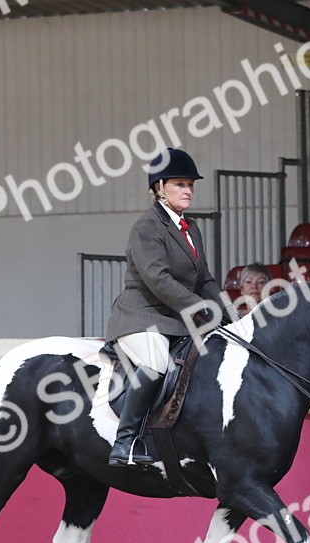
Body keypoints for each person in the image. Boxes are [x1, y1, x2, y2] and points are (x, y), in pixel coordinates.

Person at [104, 148, 230, 467]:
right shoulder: (147, 227)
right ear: (160, 187)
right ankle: (125, 442)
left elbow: (205, 279)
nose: (188, 190)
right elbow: (157, 280)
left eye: (190, 184)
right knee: (156, 362)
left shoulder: (191, 228)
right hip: (142, 316)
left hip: (175, 318)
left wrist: (228, 313)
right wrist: (200, 308)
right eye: (179, 184)